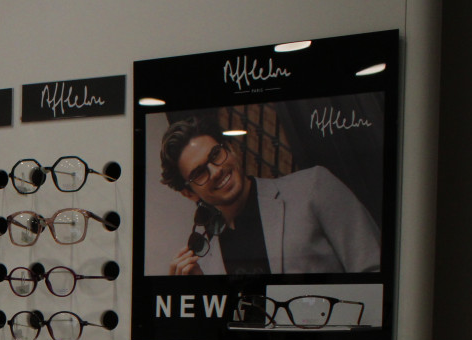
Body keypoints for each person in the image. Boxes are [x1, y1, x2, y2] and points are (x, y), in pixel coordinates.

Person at [158, 114, 380, 276]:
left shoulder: (313, 186)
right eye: (199, 173)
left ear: (231, 149)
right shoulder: (204, 258)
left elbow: (374, 270)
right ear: (189, 193)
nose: (216, 171)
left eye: (216, 154)